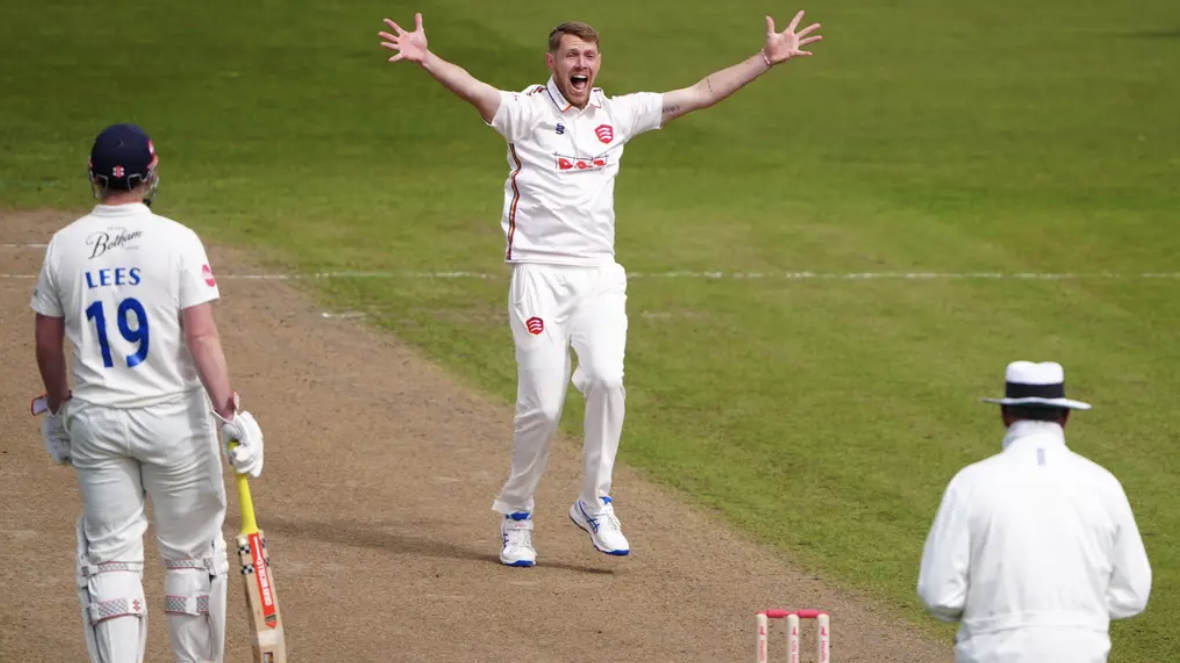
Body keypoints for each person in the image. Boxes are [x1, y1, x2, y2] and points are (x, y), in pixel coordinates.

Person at [377, 10, 823, 567]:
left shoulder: (618, 113)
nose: (580, 63)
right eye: (571, 55)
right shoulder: (525, 112)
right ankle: (517, 516)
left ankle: (594, 501)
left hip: (599, 277)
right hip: (538, 275)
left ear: (598, 62)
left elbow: (701, 93)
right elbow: (472, 87)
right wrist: (425, 58)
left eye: (589, 55)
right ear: (552, 62)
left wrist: (764, 60)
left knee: (608, 381)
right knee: (543, 407)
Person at [31, 123, 266, 663]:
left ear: (93, 176)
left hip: (97, 422)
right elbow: (201, 337)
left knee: (111, 560)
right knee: (192, 558)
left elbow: (46, 343)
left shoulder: (65, 244)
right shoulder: (178, 239)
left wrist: (59, 409)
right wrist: (230, 413)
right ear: (151, 174)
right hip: (174, 422)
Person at [917, 360, 1152, 663]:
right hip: (1082, 652)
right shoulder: (1104, 484)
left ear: (1005, 414)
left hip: (992, 652)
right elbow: (1132, 592)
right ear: (1065, 417)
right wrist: (1074, 618)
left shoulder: (971, 483)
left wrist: (994, 620)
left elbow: (940, 595)